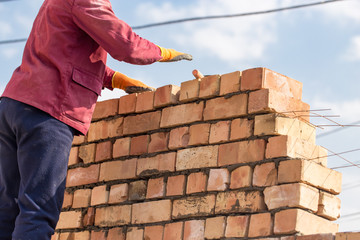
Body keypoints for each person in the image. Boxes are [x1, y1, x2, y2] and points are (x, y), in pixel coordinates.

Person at [0, 0, 192, 239]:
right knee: (37, 212)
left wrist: (116, 79)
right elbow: (126, 45)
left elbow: (64, 54)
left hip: (13, 105)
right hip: (47, 110)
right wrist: (162, 53)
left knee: (9, 209)